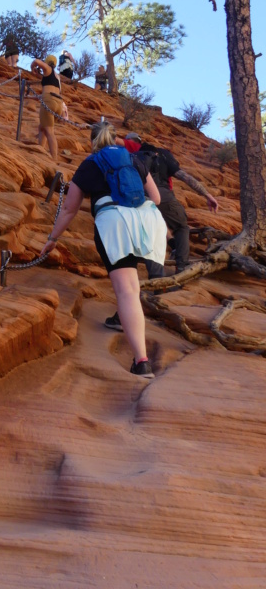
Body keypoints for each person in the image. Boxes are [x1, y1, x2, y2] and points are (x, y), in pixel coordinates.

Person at [40, 120, 167, 378]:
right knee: (132, 286)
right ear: (114, 138)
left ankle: (141, 361)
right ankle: (121, 319)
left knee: (127, 290)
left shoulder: (89, 164)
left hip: (114, 225)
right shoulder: (134, 159)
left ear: (92, 141)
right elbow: (156, 198)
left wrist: (52, 238)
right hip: (146, 223)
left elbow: (69, 209)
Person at [104, 130, 220, 331]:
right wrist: (207, 194)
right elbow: (186, 177)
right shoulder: (163, 154)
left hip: (137, 199)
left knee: (148, 238)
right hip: (162, 196)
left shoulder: (133, 154)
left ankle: (153, 285)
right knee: (182, 226)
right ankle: (182, 269)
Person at [31, 54, 64, 161]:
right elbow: (52, 91)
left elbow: (36, 61)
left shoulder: (48, 69)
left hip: (49, 101)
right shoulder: (57, 77)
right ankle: (40, 149)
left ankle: (54, 159)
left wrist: (33, 68)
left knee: (49, 131)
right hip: (58, 103)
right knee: (42, 127)